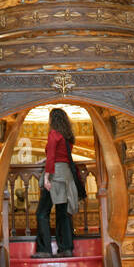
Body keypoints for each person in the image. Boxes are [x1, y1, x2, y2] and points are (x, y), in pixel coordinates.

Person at [33, 107, 79, 258]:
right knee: (63, 213)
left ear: (52, 120)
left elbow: (53, 156)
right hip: (67, 176)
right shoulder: (67, 137)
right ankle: (66, 249)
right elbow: (62, 156)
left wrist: (46, 177)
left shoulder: (53, 133)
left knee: (42, 213)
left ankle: (44, 250)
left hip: (55, 176)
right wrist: (45, 159)